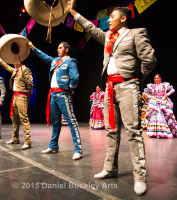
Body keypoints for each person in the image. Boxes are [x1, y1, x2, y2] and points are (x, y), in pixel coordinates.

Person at [69, 2, 156, 195]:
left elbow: (149, 59)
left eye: (112, 16)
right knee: (111, 131)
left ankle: (139, 177)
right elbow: (91, 27)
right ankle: (110, 168)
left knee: (133, 131)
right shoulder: (108, 36)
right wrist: (73, 13)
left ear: (123, 18)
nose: (108, 19)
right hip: (110, 88)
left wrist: (135, 79)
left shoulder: (136, 33)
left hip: (127, 86)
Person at [28, 41, 83, 160]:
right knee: (56, 122)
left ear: (66, 49)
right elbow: (44, 56)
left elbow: (75, 77)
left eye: (60, 48)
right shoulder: (55, 61)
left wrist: (70, 89)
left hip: (63, 94)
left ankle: (78, 149)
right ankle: (53, 145)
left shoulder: (70, 61)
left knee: (71, 121)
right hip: (53, 95)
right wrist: (33, 47)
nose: (58, 50)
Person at [0, 55, 34, 150]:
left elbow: (30, 83)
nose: (13, 63)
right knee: (14, 118)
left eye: (15, 61)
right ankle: (15, 138)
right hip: (15, 96)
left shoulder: (25, 69)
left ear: (19, 61)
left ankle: (27, 141)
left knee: (24, 118)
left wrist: (28, 93)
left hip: (22, 96)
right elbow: (7, 67)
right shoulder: (16, 70)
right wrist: (0, 60)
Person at [142, 74, 177, 138]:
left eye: (157, 78)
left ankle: (164, 132)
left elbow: (172, 90)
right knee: (155, 115)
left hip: (163, 101)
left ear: (160, 79)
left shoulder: (164, 85)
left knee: (166, 115)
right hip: (155, 102)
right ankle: (155, 132)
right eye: (155, 78)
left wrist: (166, 95)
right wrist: (151, 97)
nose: (156, 79)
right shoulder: (152, 86)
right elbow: (144, 92)